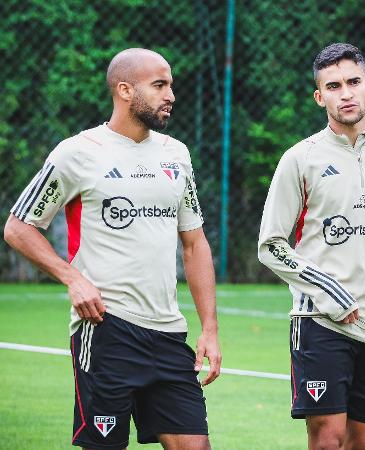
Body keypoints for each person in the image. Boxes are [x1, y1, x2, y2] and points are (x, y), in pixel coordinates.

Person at [4, 48, 221, 450]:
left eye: (170, 84)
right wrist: (73, 279)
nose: (170, 94)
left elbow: (194, 243)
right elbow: (18, 227)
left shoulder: (177, 155)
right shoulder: (77, 153)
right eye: (159, 85)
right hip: (107, 329)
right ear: (124, 90)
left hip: (170, 334)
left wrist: (209, 327)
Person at [258, 43, 365, 450]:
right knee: (328, 439)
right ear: (320, 97)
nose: (346, 93)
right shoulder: (300, 158)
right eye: (334, 86)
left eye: (354, 82)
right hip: (320, 321)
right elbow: (271, 245)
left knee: (364, 442)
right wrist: (331, 293)